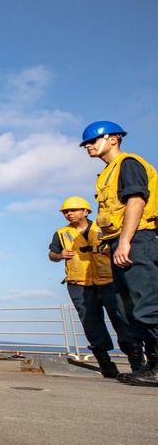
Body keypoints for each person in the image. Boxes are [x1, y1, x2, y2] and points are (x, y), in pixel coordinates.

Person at [81, 121, 158, 385]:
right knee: (130, 309)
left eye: (93, 141)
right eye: (86, 144)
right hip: (121, 243)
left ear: (113, 139)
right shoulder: (106, 173)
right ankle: (151, 366)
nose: (88, 146)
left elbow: (136, 200)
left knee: (147, 304)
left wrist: (125, 241)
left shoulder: (128, 163)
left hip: (138, 240)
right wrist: (110, 242)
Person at [48, 196, 142, 378]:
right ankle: (105, 363)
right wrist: (60, 255)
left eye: (73, 210)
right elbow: (51, 254)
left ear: (86, 211)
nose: (69, 214)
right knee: (91, 324)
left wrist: (112, 249)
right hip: (79, 283)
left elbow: (124, 244)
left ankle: (137, 363)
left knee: (123, 320)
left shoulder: (103, 228)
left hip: (109, 281)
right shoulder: (61, 233)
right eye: (66, 212)